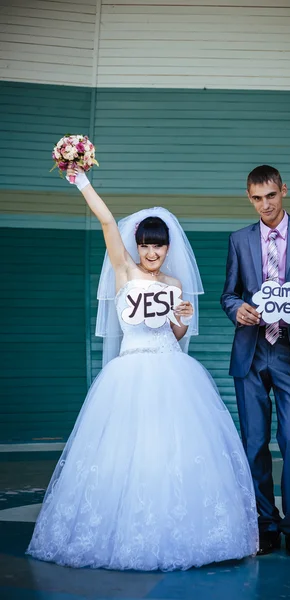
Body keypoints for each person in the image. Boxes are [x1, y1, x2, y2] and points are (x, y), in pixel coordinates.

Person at [27, 167, 258, 572]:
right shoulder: (124, 272)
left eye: (159, 247)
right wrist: (80, 179)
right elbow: (104, 219)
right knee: (126, 452)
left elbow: (178, 330)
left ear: (168, 248)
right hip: (129, 374)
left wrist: (183, 314)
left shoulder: (173, 283)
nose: (152, 253)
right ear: (136, 245)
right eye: (146, 246)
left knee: (171, 452)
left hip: (172, 370)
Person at [221, 165, 290, 558]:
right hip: (251, 352)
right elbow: (228, 294)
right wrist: (238, 311)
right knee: (254, 443)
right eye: (256, 198)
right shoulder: (239, 240)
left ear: (283, 191)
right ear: (248, 197)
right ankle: (265, 523)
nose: (264, 205)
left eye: (271, 196)